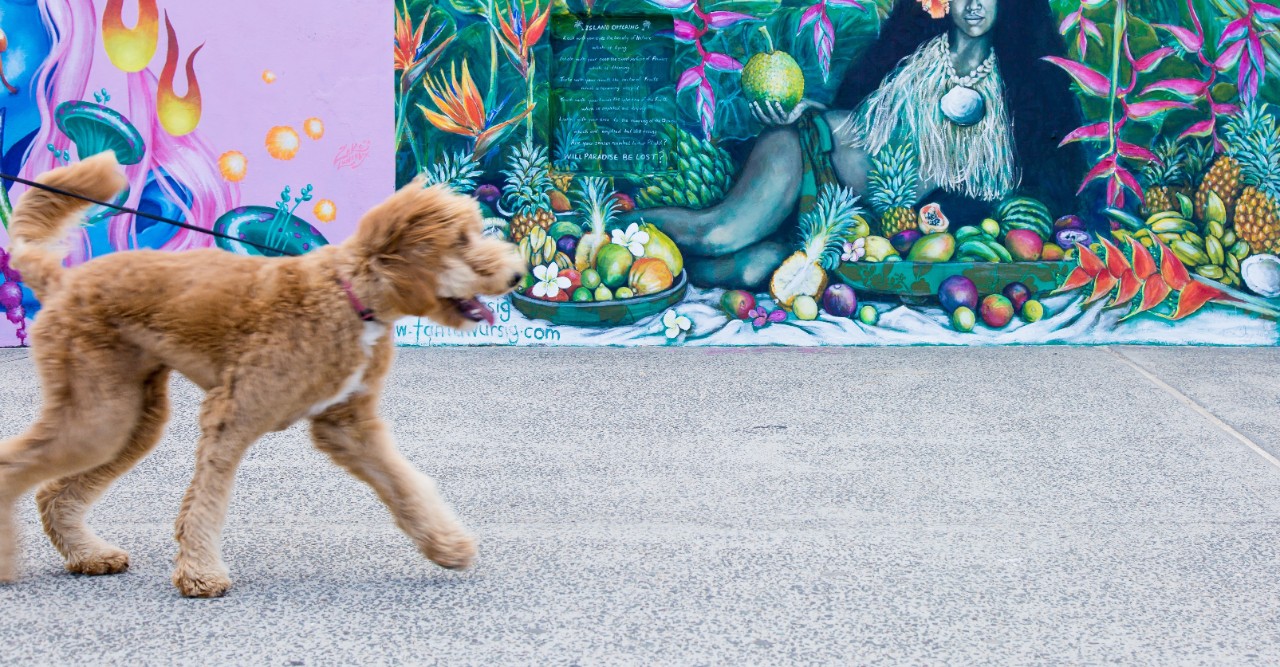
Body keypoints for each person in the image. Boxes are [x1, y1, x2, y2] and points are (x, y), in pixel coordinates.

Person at [629, 0, 1086, 290]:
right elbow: (852, 111)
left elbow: (1032, 184)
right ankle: (615, 227)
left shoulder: (1021, 87)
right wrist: (804, 107)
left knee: (751, 269)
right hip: (811, 155)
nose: (972, 6)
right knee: (718, 234)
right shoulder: (911, 53)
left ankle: (638, 272)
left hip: (854, 226)